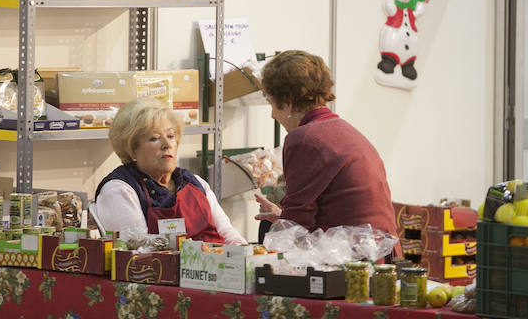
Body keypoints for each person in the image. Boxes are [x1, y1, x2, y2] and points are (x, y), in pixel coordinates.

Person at [254, 50, 399, 250]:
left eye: (271, 103)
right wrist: (284, 217)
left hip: (350, 262)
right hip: (380, 253)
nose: (272, 114)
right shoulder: (343, 130)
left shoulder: (304, 139)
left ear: (287, 103)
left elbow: (296, 225)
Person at [94, 97, 246, 244]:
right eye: (154, 138)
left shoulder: (195, 183)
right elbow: (138, 249)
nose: (167, 144)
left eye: (171, 136)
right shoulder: (119, 189)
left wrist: (244, 255)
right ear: (132, 148)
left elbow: (227, 233)